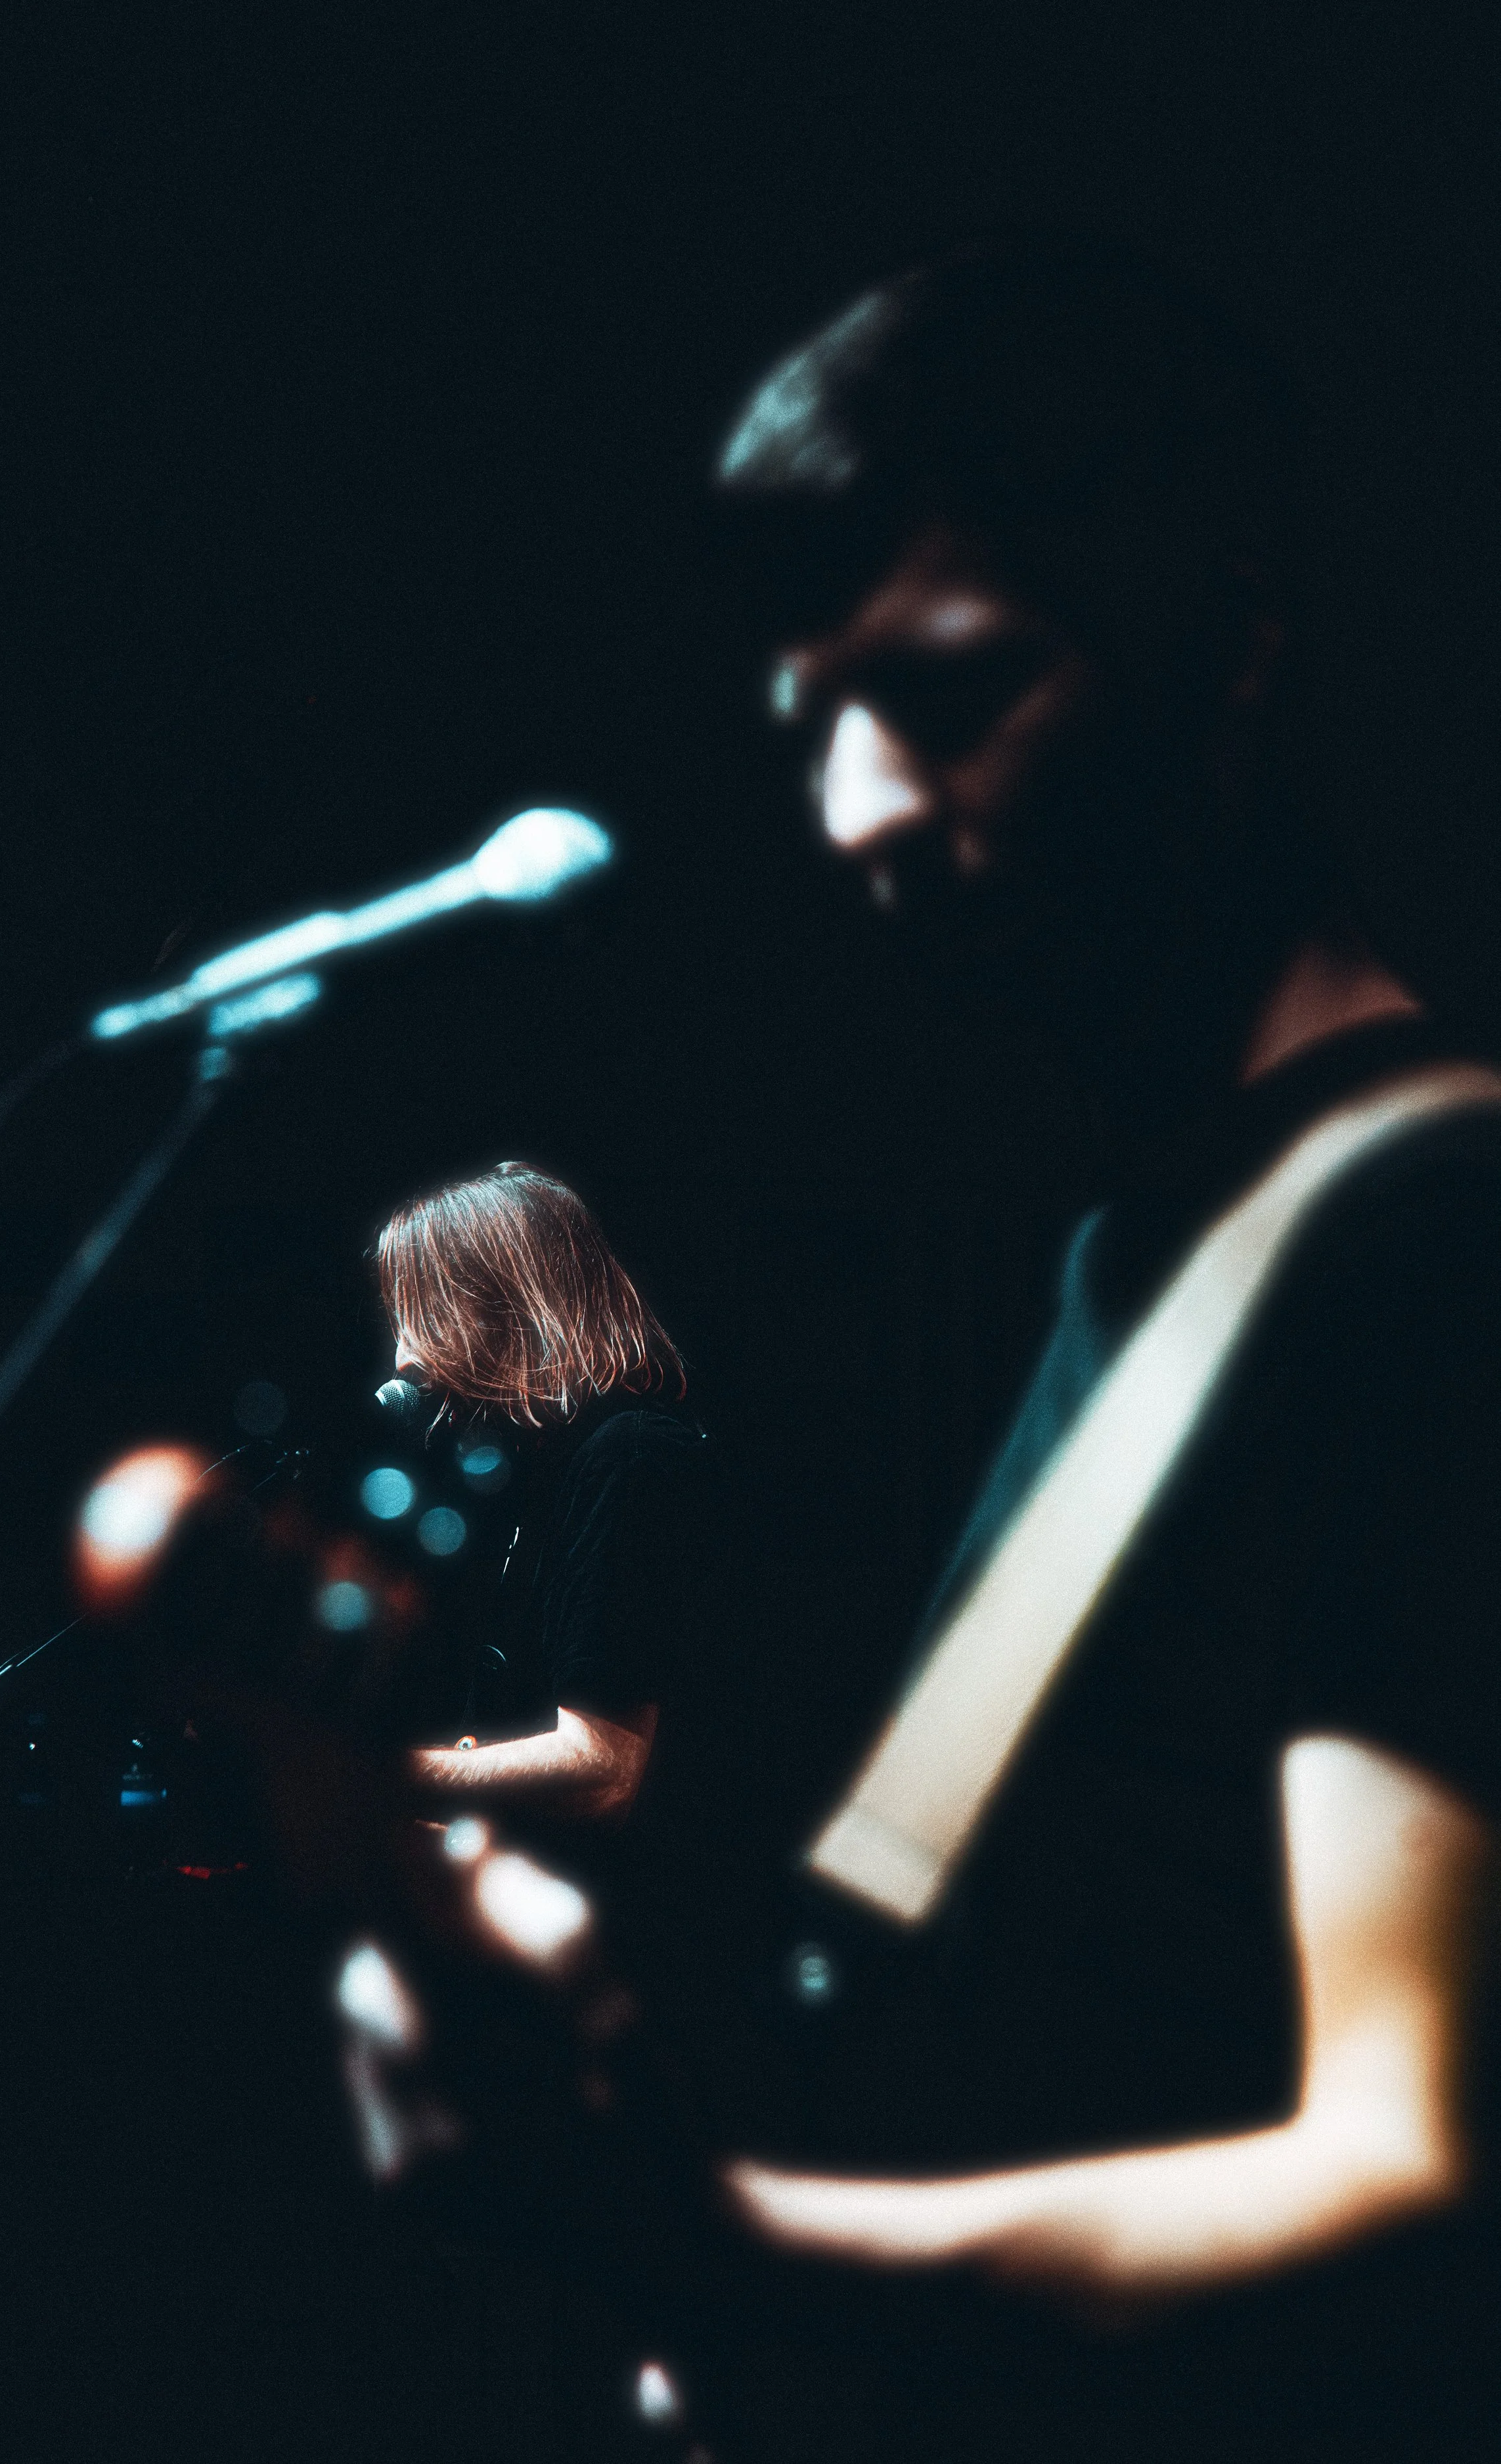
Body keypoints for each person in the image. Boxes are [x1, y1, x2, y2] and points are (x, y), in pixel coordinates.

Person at [673, 237, 1501, 2461]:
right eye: (810, 725)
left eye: (945, 691)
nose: (851, 810)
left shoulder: (1428, 1235)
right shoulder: (1150, 1239)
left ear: (1233, 645)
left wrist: (717, 2245)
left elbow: (1414, 2183)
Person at [375, 1162, 706, 1837]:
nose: (404, 1359)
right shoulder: (535, 1480)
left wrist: (369, 1778)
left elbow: (604, 1767)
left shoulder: (632, 1457)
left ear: (503, 1307)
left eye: (424, 1316)